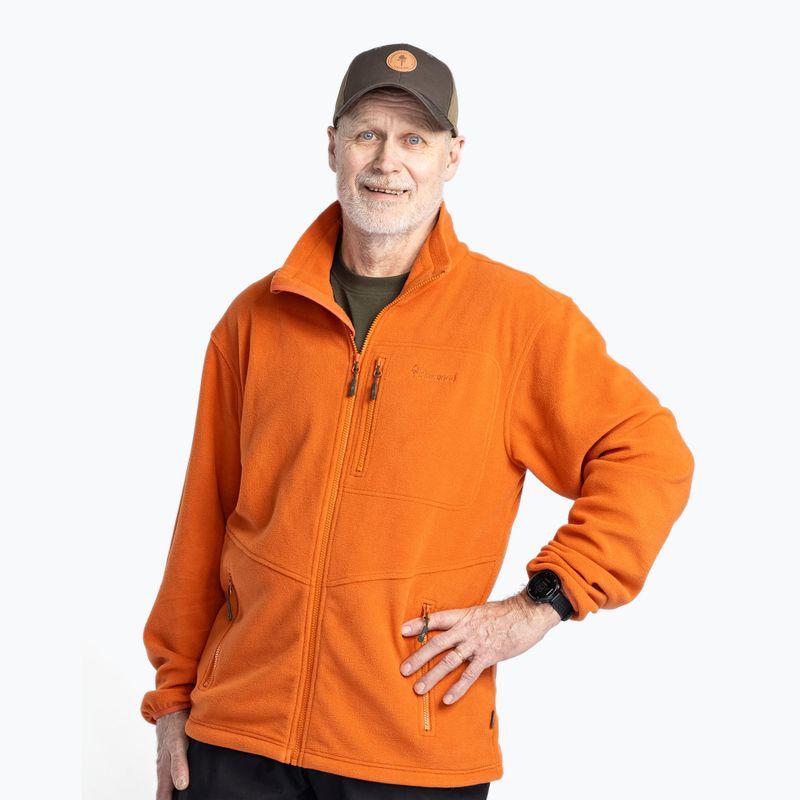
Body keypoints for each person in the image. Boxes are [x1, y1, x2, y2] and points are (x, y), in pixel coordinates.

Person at [141, 42, 695, 799]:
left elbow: (649, 454)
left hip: (412, 750)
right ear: (332, 145)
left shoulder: (518, 322)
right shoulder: (253, 320)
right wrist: (174, 696)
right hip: (237, 738)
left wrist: (543, 602)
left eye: (414, 139)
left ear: (452, 156)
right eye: (367, 133)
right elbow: (203, 517)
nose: (386, 162)